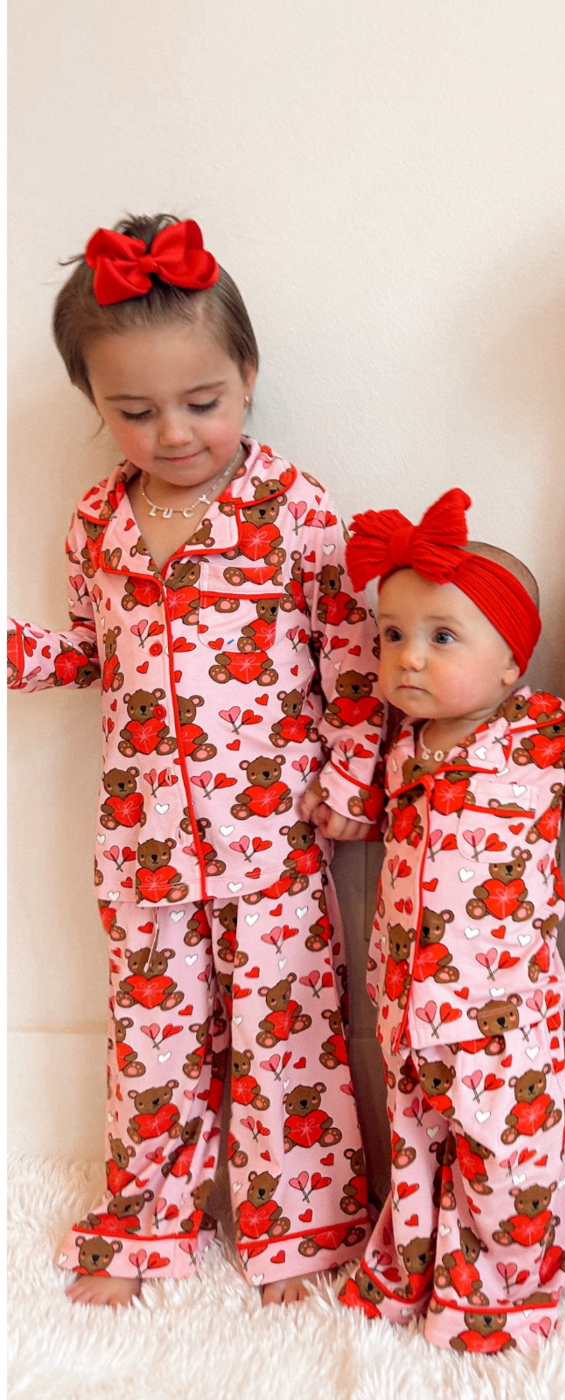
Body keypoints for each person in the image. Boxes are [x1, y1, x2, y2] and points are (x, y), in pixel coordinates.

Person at [6, 215, 384, 1306]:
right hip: (145, 845)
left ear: (247, 376)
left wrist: (351, 777)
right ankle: (144, 1223)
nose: (173, 432)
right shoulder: (98, 525)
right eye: (134, 411)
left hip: (273, 840)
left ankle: (302, 1230)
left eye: (202, 401)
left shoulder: (295, 511)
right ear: (94, 401)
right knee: (152, 1045)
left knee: (288, 1036)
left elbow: (352, 661)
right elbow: (99, 653)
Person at [306, 488, 565, 1350]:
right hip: (407, 1007)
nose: (408, 659)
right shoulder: (400, 747)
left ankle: (503, 1292)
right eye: (393, 636)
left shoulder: (538, 730)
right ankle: (410, 1264)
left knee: (509, 1160)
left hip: (504, 1014)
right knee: (417, 1147)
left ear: (510, 664)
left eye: (442, 638)